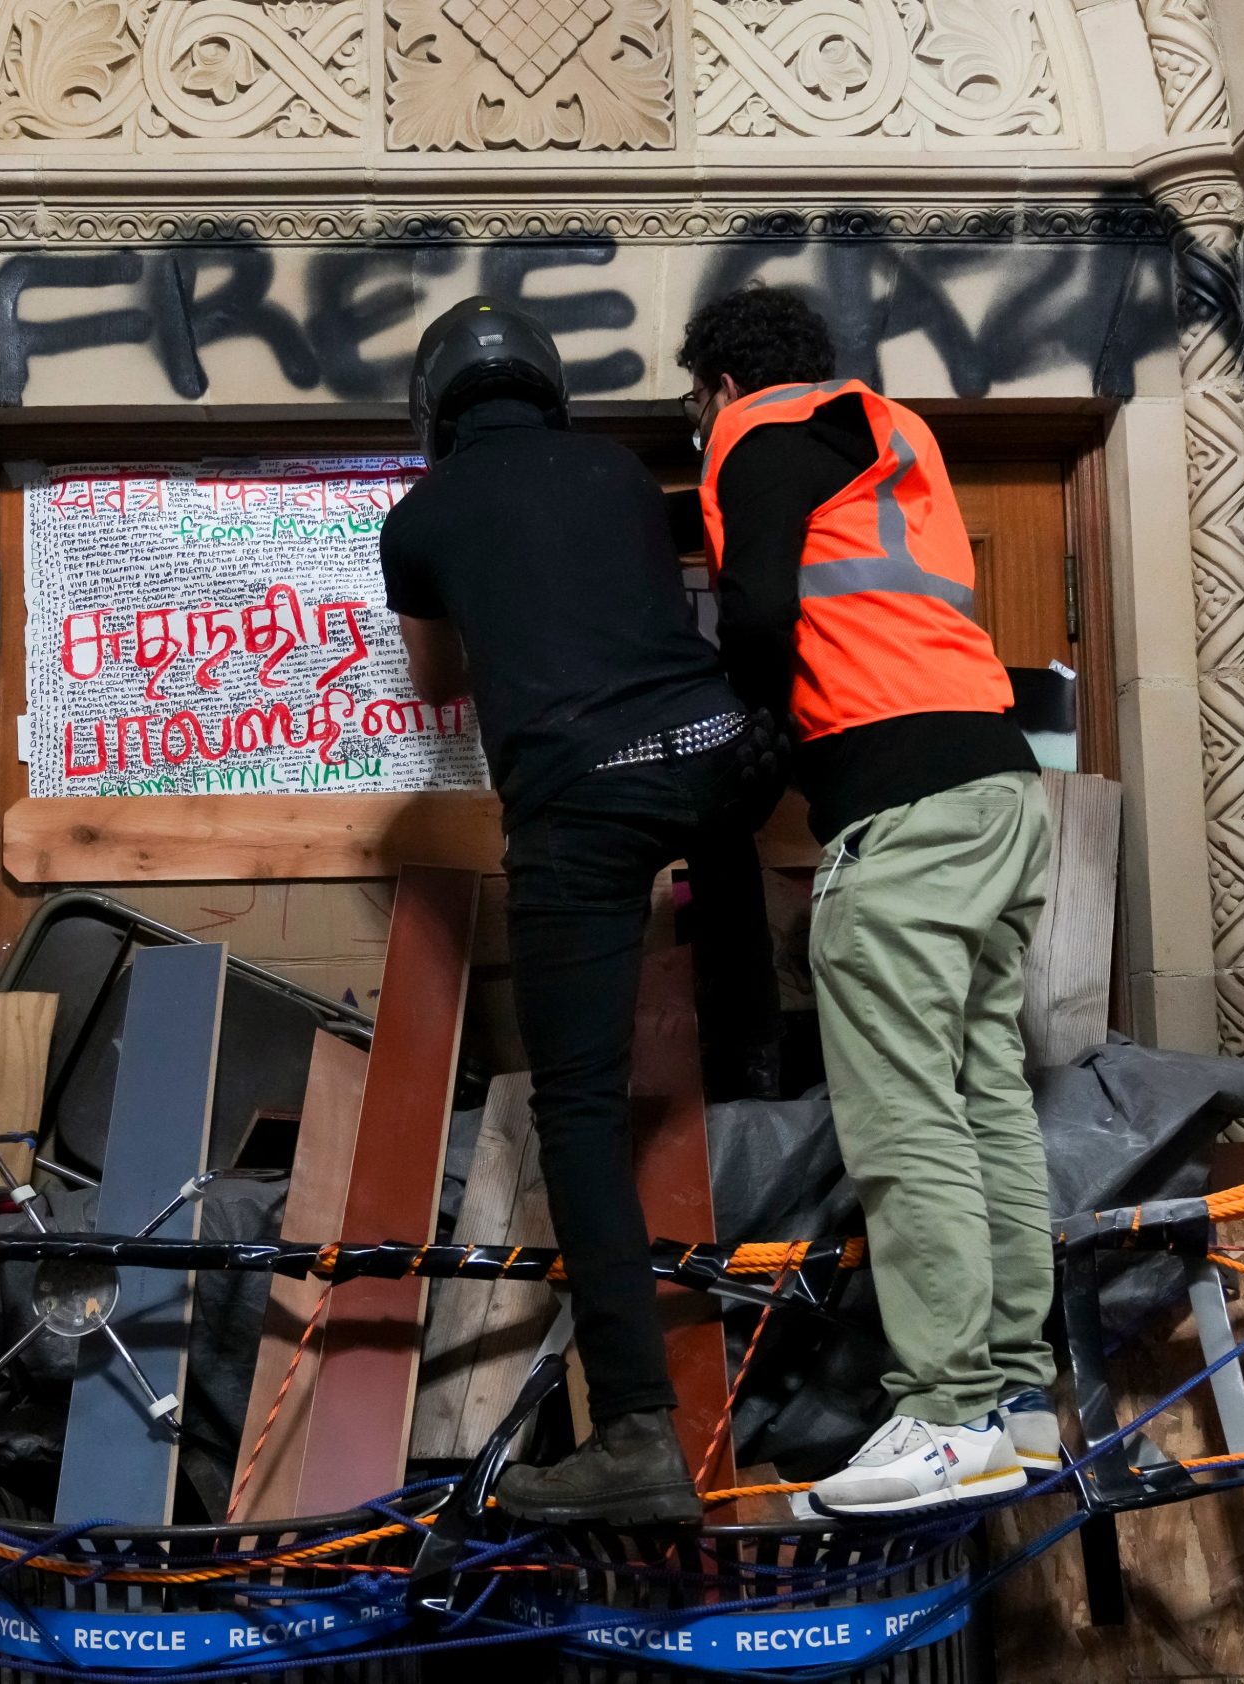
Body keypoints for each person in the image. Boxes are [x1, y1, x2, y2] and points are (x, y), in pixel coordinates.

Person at [381, 296, 782, 1525]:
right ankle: (754, 1058)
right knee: (724, 886)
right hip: (724, 749)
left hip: (582, 796)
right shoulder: (615, 469)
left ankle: (636, 1434)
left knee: (580, 1108)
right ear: (547, 387)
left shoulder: (419, 516)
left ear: (437, 408)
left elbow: (442, 681)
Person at [675, 286, 1059, 1515]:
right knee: (983, 1093)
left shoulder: (757, 436)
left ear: (721, 385)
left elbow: (758, 617)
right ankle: (1012, 1401)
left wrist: (726, 742)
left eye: (695, 408)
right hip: (1000, 790)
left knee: (904, 1123)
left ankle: (943, 1412)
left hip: (899, 817)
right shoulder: (891, 436)